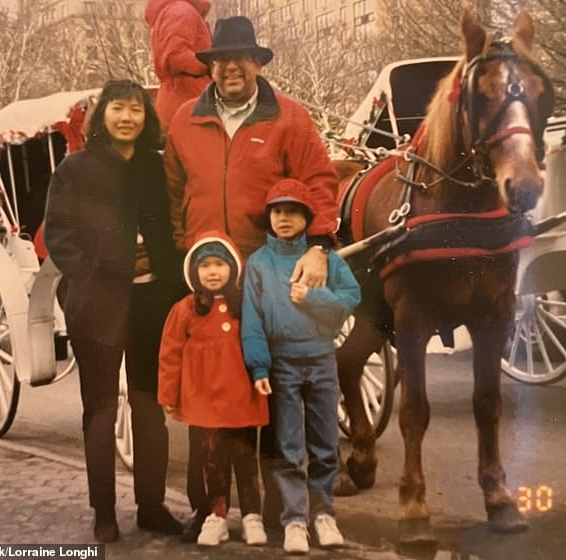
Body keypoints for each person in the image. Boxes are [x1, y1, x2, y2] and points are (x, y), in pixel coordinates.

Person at [164, 15, 340, 536]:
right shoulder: (183, 122)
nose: (229, 68)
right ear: (210, 67)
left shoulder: (290, 118)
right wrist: (188, 248)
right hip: (210, 271)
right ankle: (210, 506)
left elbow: (319, 182)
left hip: (266, 271)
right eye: (220, 60)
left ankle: (277, 512)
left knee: (272, 392)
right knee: (210, 392)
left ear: (259, 64)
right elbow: (174, 193)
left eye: (241, 58)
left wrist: (318, 246)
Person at [44, 79, 182, 543]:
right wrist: (92, 275)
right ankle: (104, 512)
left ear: (147, 118)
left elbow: (174, 229)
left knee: (149, 408)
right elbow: (59, 234)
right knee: (100, 412)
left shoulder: (155, 168)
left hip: (151, 303)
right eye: (119, 109)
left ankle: (151, 505)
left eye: (137, 110)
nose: (128, 118)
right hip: (98, 305)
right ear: (102, 115)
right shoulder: (77, 169)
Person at [241, 178, 361, 554]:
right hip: (283, 364)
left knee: (325, 445)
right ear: (269, 217)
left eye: (293, 211)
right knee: (289, 445)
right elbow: (253, 321)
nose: (284, 218)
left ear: (307, 218)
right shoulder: (259, 264)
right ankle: (294, 520)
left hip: (322, 358)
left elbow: (351, 296)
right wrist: (260, 368)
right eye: (277, 211)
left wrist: (314, 298)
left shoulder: (322, 257)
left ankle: (324, 516)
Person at [158, 232, 269, 547]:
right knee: (213, 461)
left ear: (232, 268)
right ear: (194, 271)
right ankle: (217, 515)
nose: (213, 271)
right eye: (204, 265)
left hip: (241, 398)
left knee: (246, 459)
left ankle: (252, 516)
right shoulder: (186, 309)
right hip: (206, 401)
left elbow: (259, 341)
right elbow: (170, 354)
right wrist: (168, 394)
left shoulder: (246, 305)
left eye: (219, 263)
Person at [144, 0, 212, 131]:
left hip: (181, 96)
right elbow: (175, 57)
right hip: (187, 97)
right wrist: (210, 66)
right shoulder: (181, 10)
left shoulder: (178, 9)